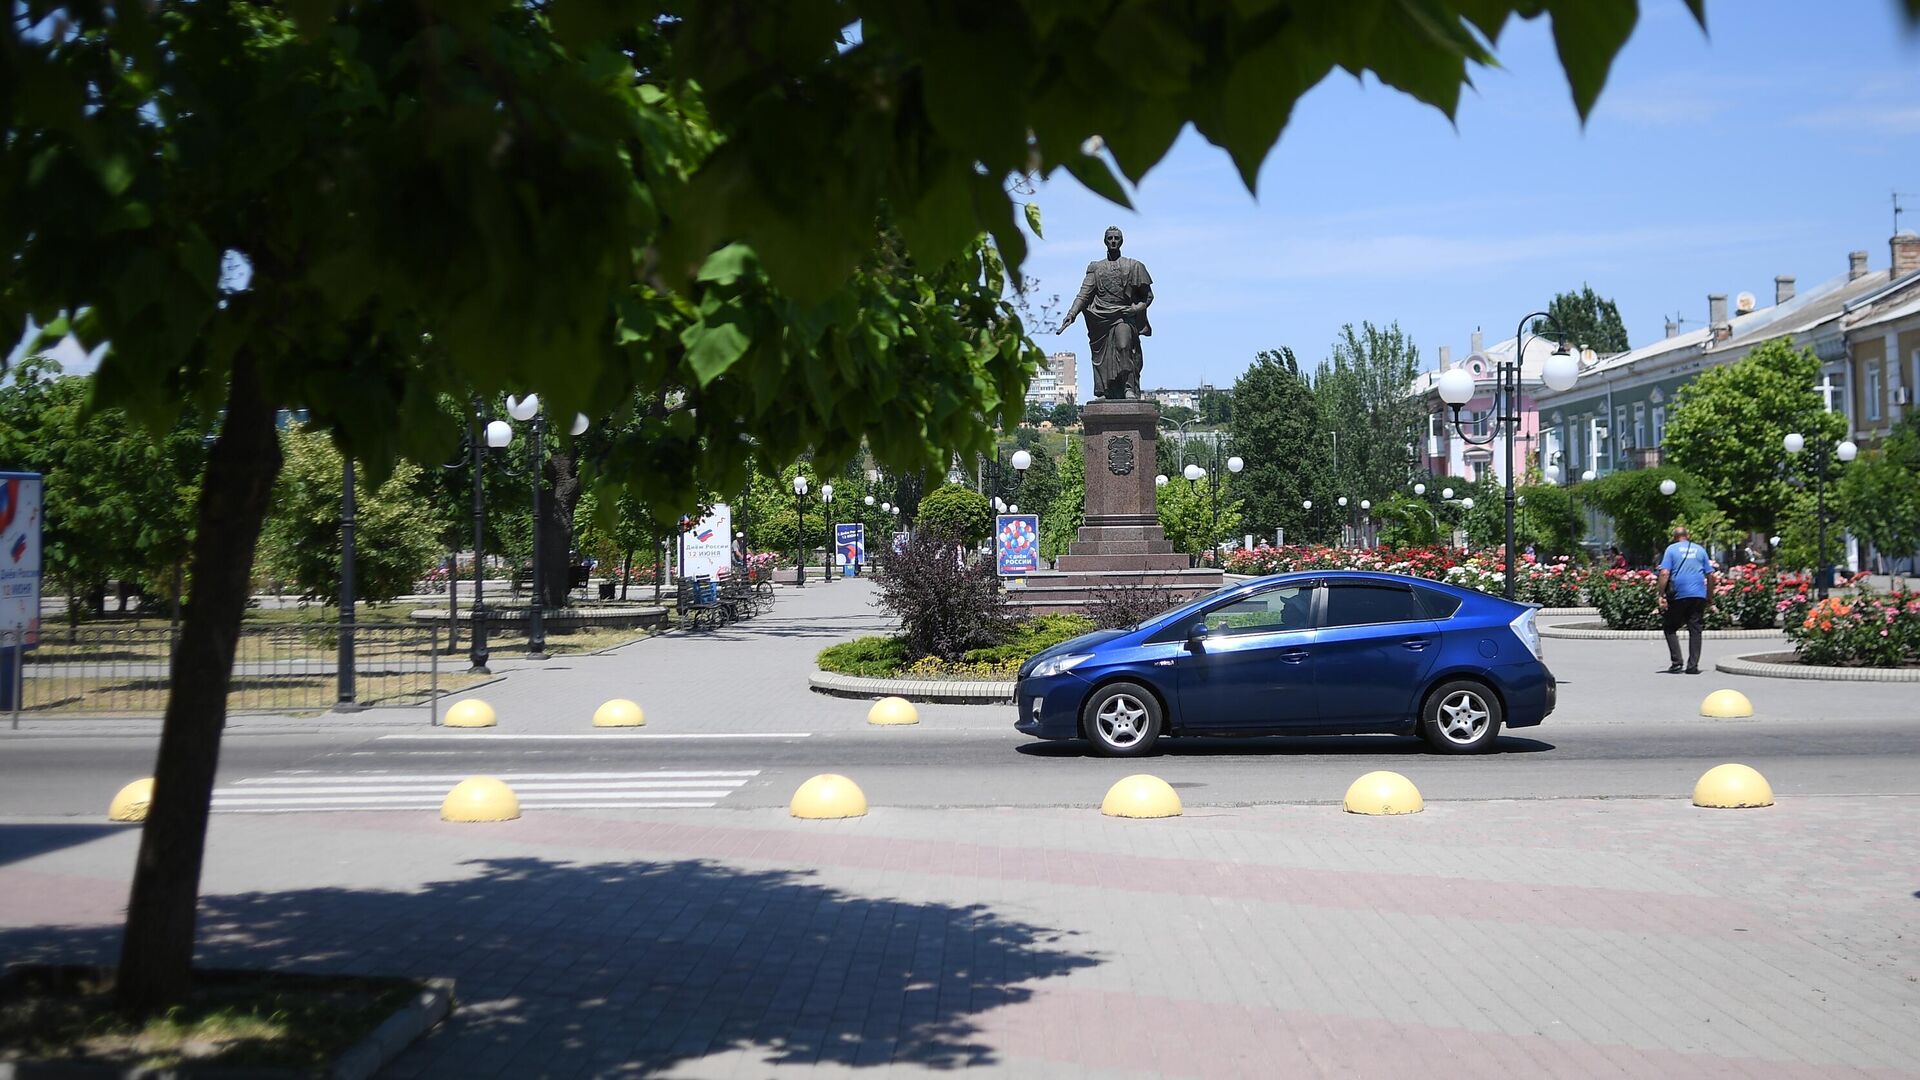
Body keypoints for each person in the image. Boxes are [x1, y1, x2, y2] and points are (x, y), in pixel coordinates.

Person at [1656, 525, 1716, 674]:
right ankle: (1692, 666)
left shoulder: (1671, 549)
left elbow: (1664, 573)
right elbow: (1710, 575)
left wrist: (1661, 594)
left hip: (1679, 595)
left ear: (1674, 537)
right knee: (1695, 629)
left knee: (1670, 627)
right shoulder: (1700, 550)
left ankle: (1677, 663)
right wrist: (1709, 597)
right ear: (1687, 536)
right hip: (1698, 595)